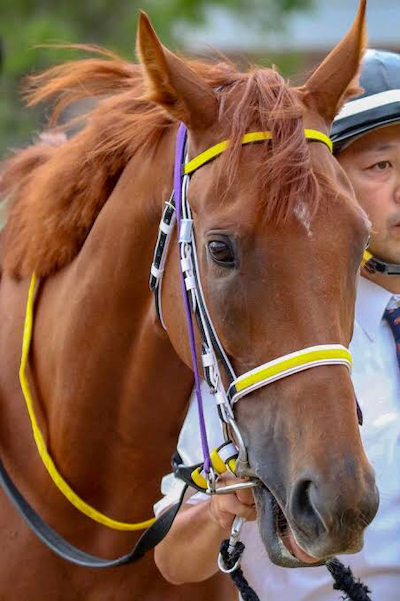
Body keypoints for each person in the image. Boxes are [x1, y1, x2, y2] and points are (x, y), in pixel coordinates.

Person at [153, 49, 400, 600]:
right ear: (326, 182)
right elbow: (172, 558)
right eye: (381, 166)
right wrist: (217, 510)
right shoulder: (272, 343)